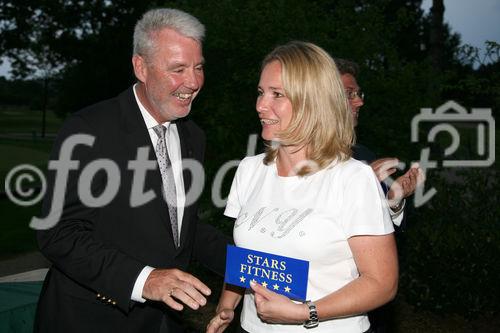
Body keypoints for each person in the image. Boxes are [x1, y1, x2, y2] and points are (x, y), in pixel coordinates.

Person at [34, 8, 230, 332]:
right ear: (141, 67)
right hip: (89, 321)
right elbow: (59, 234)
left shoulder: (193, 136)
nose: (193, 82)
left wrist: (250, 267)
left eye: (198, 67)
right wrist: (145, 280)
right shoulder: (89, 130)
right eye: (178, 69)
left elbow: (183, 230)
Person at [206, 41, 398, 333]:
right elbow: (247, 257)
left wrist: (305, 312)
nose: (260, 105)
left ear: (313, 101)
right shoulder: (249, 170)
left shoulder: (352, 179)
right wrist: (227, 305)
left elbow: (382, 283)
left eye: (277, 95)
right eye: (260, 92)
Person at [335, 58, 424, 228]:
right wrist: (359, 189)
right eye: (349, 94)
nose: (360, 102)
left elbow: (380, 233)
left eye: (359, 94)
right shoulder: (294, 158)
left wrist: (392, 201)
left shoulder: (365, 157)